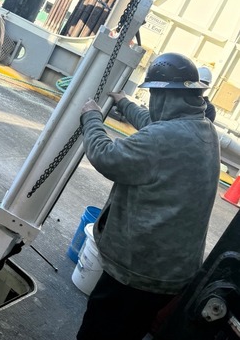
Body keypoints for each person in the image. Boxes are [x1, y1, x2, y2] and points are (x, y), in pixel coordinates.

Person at [76, 52, 220, 340]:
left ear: (163, 96)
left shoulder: (162, 139)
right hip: (171, 271)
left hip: (139, 269)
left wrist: (90, 117)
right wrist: (125, 103)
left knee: (100, 332)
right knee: (130, 331)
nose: (152, 100)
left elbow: (106, 156)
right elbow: (156, 123)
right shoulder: (202, 128)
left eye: (154, 93)